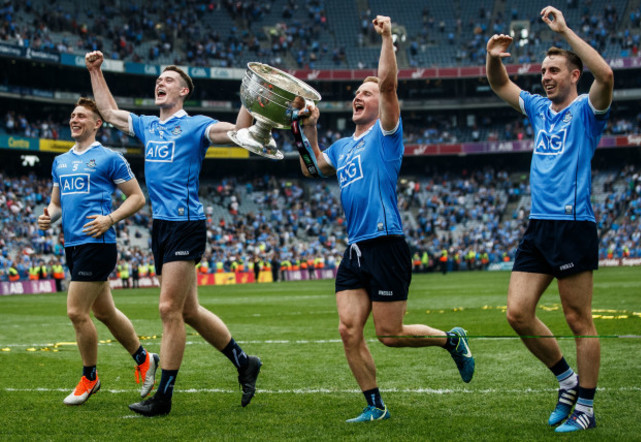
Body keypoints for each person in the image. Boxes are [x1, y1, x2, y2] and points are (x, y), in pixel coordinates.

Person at [296, 15, 475, 423]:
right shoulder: (341, 146)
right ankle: (375, 406)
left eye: (366, 92)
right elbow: (313, 166)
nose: (358, 97)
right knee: (347, 329)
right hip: (356, 249)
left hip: (387, 243)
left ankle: (451, 340)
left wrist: (388, 37)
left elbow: (390, 84)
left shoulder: (387, 133)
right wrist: (308, 129)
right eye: (356, 93)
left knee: (390, 334)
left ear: (381, 103)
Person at [85, 51, 262, 417]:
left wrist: (250, 100)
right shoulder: (149, 125)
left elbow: (239, 134)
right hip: (161, 226)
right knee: (190, 311)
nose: (160, 83)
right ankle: (245, 362)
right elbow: (109, 113)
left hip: (186, 224)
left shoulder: (196, 125)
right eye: (158, 79)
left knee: (169, 309)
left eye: (168, 80)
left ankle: (163, 397)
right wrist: (95, 70)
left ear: (183, 91)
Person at [486, 6, 613, 433]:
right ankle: (567, 382)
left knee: (579, 319)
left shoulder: (587, 112)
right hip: (538, 226)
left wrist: (565, 32)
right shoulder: (540, 109)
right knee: (517, 313)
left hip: (573, 225)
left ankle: (587, 410)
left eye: (554, 70)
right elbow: (501, 84)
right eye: (543, 70)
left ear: (574, 75)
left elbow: (607, 76)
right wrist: (493, 57)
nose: (545, 76)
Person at [37, 97, 159, 406]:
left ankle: (90, 378)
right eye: (72, 115)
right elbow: (57, 204)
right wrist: (48, 216)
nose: (74, 119)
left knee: (77, 312)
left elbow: (137, 198)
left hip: (98, 243)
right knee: (103, 312)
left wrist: (110, 218)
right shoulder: (60, 162)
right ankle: (145, 359)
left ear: (97, 123)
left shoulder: (110, 158)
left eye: (81, 115)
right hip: (73, 246)